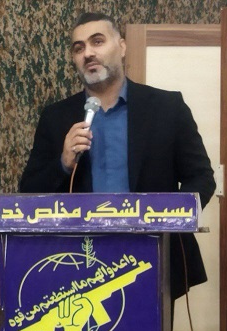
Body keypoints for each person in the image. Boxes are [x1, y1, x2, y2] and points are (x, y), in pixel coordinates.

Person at [19, 11, 216, 303]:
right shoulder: (56, 117)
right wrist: (63, 163)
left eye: (97, 41)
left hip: (154, 257)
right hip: (80, 265)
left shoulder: (167, 107)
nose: (88, 53)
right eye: (78, 48)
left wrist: (172, 217)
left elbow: (201, 178)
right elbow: (28, 191)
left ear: (122, 46)